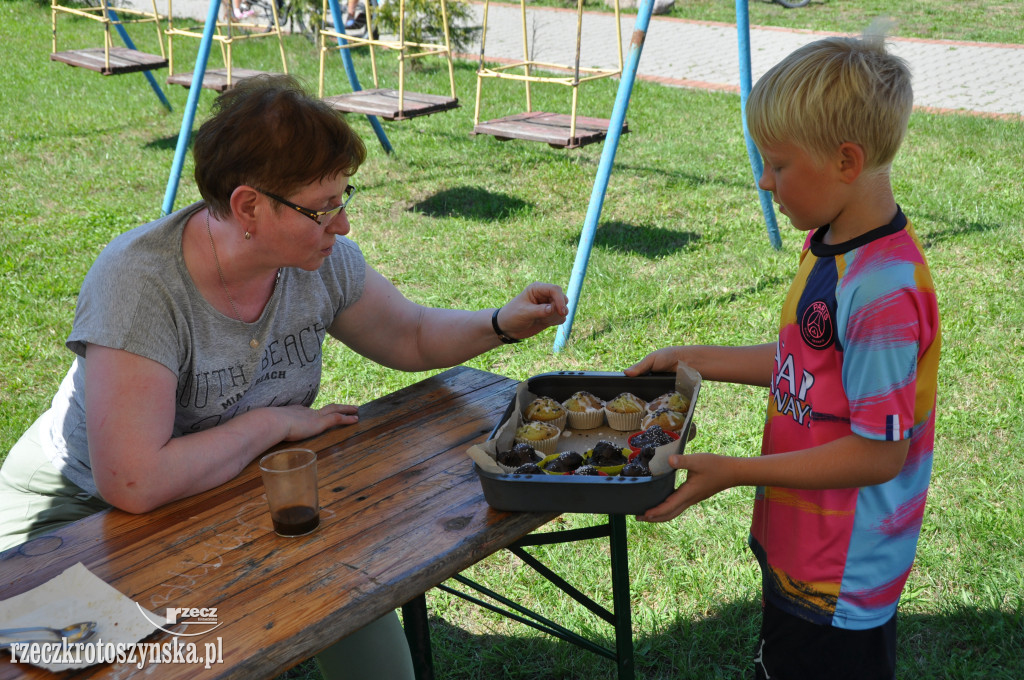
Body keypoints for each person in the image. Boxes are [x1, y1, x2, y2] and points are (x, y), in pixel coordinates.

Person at [0, 74, 568, 679]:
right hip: (78, 517)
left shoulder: (316, 261)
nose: (343, 224)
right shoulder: (139, 285)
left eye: (345, 198)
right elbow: (134, 482)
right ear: (248, 205)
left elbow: (411, 334)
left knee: (367, 634)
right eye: (323, 207)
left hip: (243, 489)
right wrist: (271, 424)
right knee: (155, 664)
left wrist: (501, 322)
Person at [625, 31, 940, 680]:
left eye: (778, 164)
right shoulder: (831, 242)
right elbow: (806, 361)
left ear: (846, 161)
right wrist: (698, 359)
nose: (764, 181)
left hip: (840, 579)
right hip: (801, 551)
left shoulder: (881, 291)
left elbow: (881, 452)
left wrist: (738, 470)